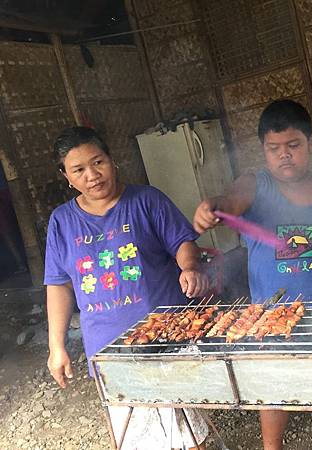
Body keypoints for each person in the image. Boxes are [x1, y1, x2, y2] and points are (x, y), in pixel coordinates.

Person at [193, 99, 312, 450]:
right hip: (271, 316)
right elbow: (230, 201)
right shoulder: (255, 184)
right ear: (263, 150)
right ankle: (271, 446)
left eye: (293, 146)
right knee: (271, 383)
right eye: (274, 149)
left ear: (311, 143)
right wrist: (213, 207)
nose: (284, 155)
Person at [44, 126, 211, 450]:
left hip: (165, 335)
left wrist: (188, 267)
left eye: (98, 162)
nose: (92, 175)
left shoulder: (146, 200)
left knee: (184, 430)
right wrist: (57, 346)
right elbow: (58, 284)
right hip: (108, 347)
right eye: (79, 169)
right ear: (66, 176)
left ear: (112, 160)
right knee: (131, 434)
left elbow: (182, 243)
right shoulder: (61, 222)